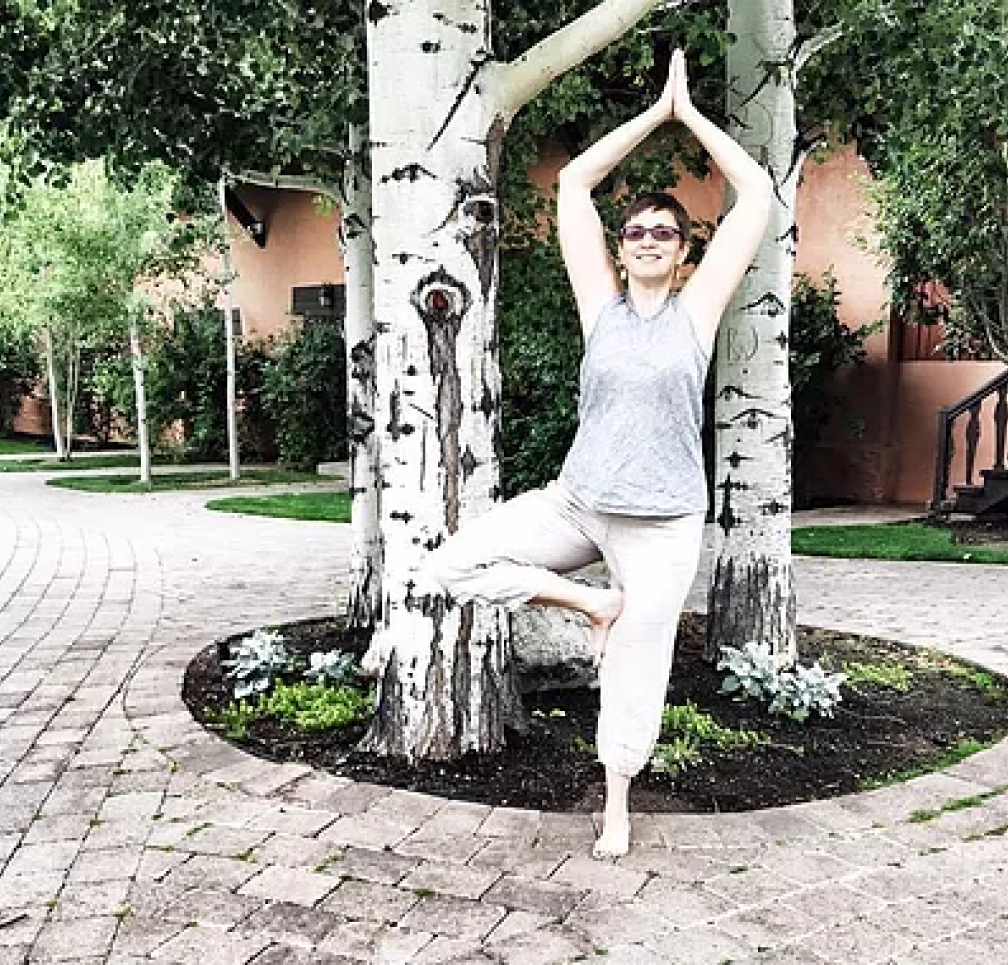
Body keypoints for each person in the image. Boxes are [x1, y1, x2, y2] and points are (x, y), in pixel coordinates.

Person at [429, 49, 772, 858]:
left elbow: (756, 193)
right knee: (451, 565)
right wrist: (653, 114)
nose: (649, 237)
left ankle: (616, 799)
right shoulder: (601, 308)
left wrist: (691, 115)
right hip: (578, 503)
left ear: (686, 251)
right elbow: (574, 184)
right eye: (637, 231)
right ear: (620, 249)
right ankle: (590, 606)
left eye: (666, 230)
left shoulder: (697, 312)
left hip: (662, 524)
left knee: (636, 668)